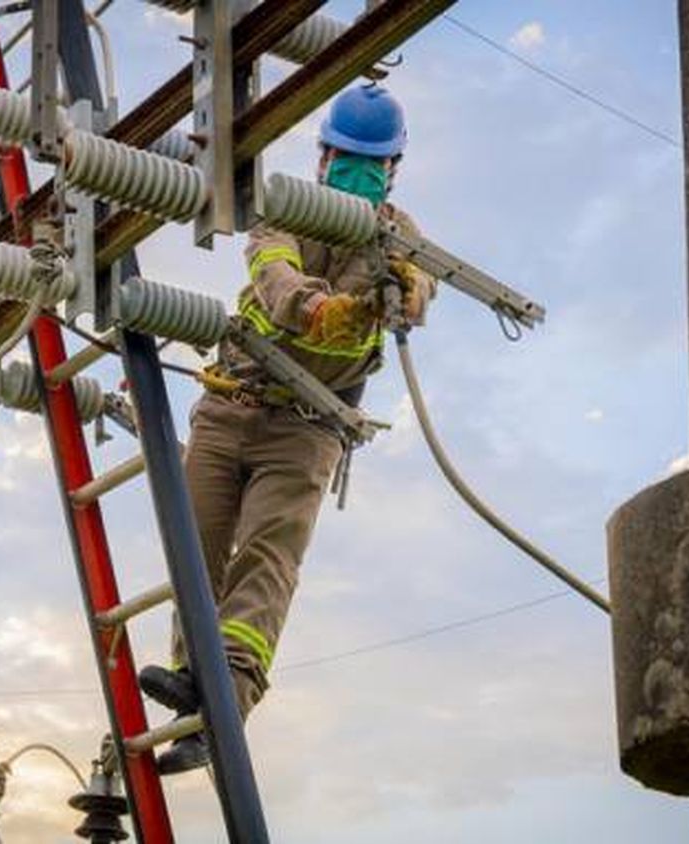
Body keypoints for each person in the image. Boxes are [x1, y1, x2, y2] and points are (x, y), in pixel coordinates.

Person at [139, 84, 434, 775]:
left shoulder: (398, 235)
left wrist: (405, 292)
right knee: (195, 551)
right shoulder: (282, 208)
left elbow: (422, 287)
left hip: (308, 428)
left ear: (392, 168)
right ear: (324, 153)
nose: (356, 171)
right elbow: (273, 277)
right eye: (346, 157)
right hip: (231, 404)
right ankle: (194, 690)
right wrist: (323, 310)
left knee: (266, 562)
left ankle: (228, 701)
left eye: (372, 162)